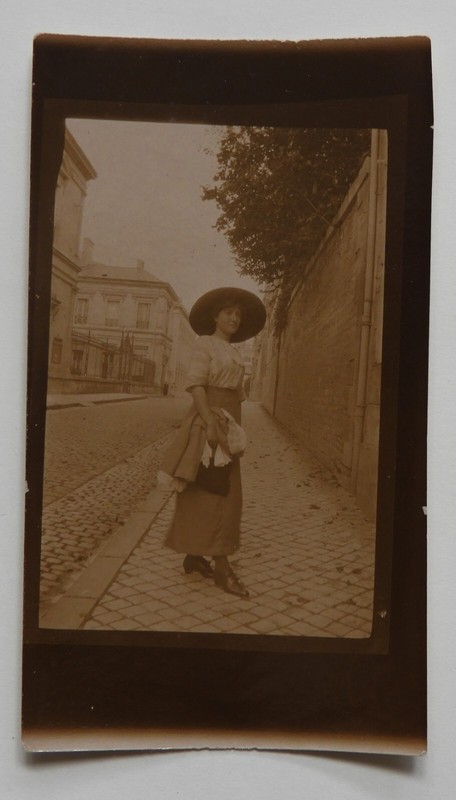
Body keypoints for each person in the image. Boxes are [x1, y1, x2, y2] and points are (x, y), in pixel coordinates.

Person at [160, 287, 266, 598]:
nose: (234, 317)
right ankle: (221, 567)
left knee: (206, 489)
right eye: (228, 312)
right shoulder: (205, 344)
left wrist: (234, 429)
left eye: (238, 313)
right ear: (215, 316)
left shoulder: (233, 350)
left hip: (228, 421)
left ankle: (194, 555)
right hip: (211, 420)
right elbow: (196, 385)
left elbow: (237, 393)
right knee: (221, 493)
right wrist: (209, 424)